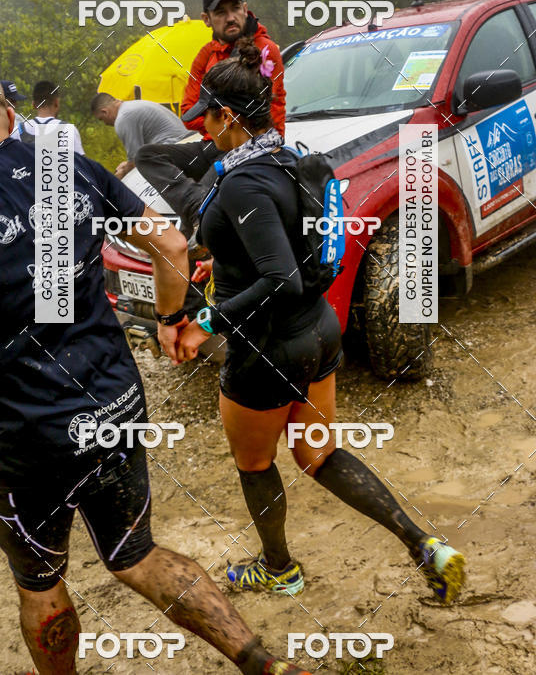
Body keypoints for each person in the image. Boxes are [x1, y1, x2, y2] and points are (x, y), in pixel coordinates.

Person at [0, 61, 319, 675]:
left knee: (39, 582)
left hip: (22, 435)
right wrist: (171, 318)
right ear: (11, 118)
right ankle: (264, 665)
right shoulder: (69, 169)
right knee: (134, 554)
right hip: (112, 403)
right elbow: (168, 242)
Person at [173, 39, 466, 605]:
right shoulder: (294, 159)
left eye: (206, 117)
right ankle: (424, 544)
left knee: (254, 461)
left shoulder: (239, 182)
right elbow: (289, 247)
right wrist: (225, 259)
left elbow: (277, 276)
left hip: (265, 348)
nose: (201, 129)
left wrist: (205, 321)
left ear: (228, 116)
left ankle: (279, 570)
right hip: (317, 332)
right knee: (319, 453)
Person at [136, 0, 286, 237]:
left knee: (198, 225)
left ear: (245, 9)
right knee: (147, 155)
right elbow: (188, 113)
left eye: (235, 8)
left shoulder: (264, 50)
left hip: (247, 145)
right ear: (206, 18)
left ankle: (198, 216)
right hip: (212, 142)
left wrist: (213, 112)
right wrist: (215, 115)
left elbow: (255, 114)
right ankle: (196, 205)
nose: (230, 17)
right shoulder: (206, 54)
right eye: (220, 12)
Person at [91, 92, 189, 180]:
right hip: (188, 142)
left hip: (175, 148)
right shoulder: (134, 105)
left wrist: (120, 175)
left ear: (105, 112)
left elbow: (134, 162)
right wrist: (126, 165)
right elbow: (138, 156)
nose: (105, 124)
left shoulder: (123, 119)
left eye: (101, 119)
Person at [11, 79, 85, 155]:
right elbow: (82, 165)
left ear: (33, 105)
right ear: (56, 102)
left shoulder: (17, 130)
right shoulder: (69, 130)